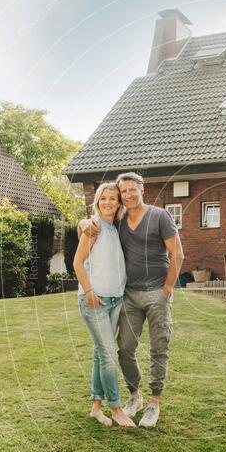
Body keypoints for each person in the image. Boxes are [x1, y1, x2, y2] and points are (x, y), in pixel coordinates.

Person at [80, 172, 184, 428]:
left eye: (131, 190)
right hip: (129, 294)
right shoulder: (120, 219)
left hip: (157, 294)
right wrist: (82, 224)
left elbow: (178, 253)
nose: (127, 195)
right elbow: (96, 222)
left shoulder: (160, 216)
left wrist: (168, 287)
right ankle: (135, 396)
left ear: (141, 189)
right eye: (123, 192)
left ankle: (154, 403)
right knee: (124, 349)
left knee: (159, 348)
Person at [73, 182, 136, 428]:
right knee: (109, 354)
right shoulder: (94, 227)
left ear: (119, 203)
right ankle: (117, 407)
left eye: (112, 199)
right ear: (97, 201)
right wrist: (88, 292)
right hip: (95, 300)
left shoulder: (115, 228)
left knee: (101, 354)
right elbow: (78, 263)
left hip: (115, 300)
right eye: (103, 198)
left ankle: (96, 408)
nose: (108, 202)